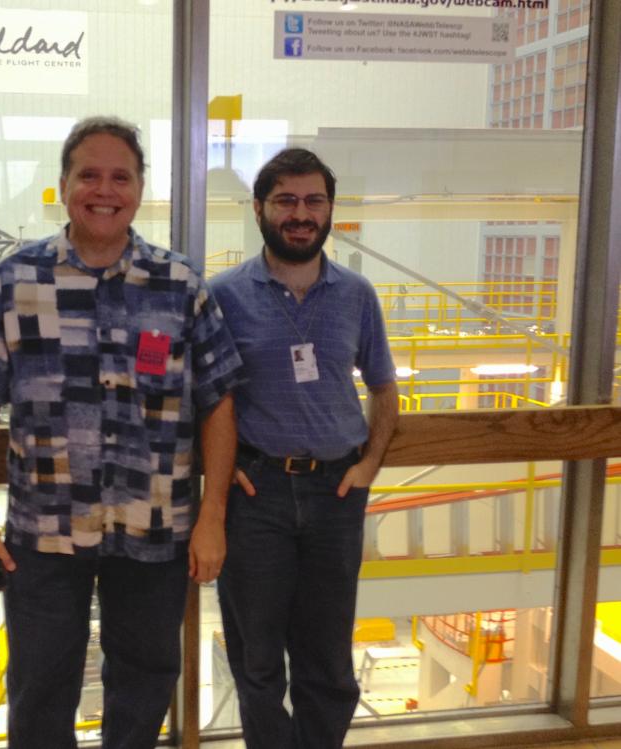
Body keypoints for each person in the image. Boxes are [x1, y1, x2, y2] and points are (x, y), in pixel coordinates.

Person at [0, 116, 242, 748]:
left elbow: (219, 404)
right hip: (44, 534)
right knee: (38, 688)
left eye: (121, 176)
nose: (104, 190)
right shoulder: (17, 281)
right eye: (89, 174)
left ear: (140, 189)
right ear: (64, 184)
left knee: (144, 683)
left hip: (156, 527)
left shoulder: (181, 284)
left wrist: (213, 515)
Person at [211, 148, 399, 748]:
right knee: (259, 662)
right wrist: (227, 470)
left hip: (336, 494)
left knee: (328, 666)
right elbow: (202, 397)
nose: (301, 213)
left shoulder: (357, 294)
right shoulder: (224, 295)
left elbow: (384, 385)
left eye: (313, 201)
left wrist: (369, 464)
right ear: (260, 210)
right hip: (256, 495)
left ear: (329, 211)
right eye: (286, 200)